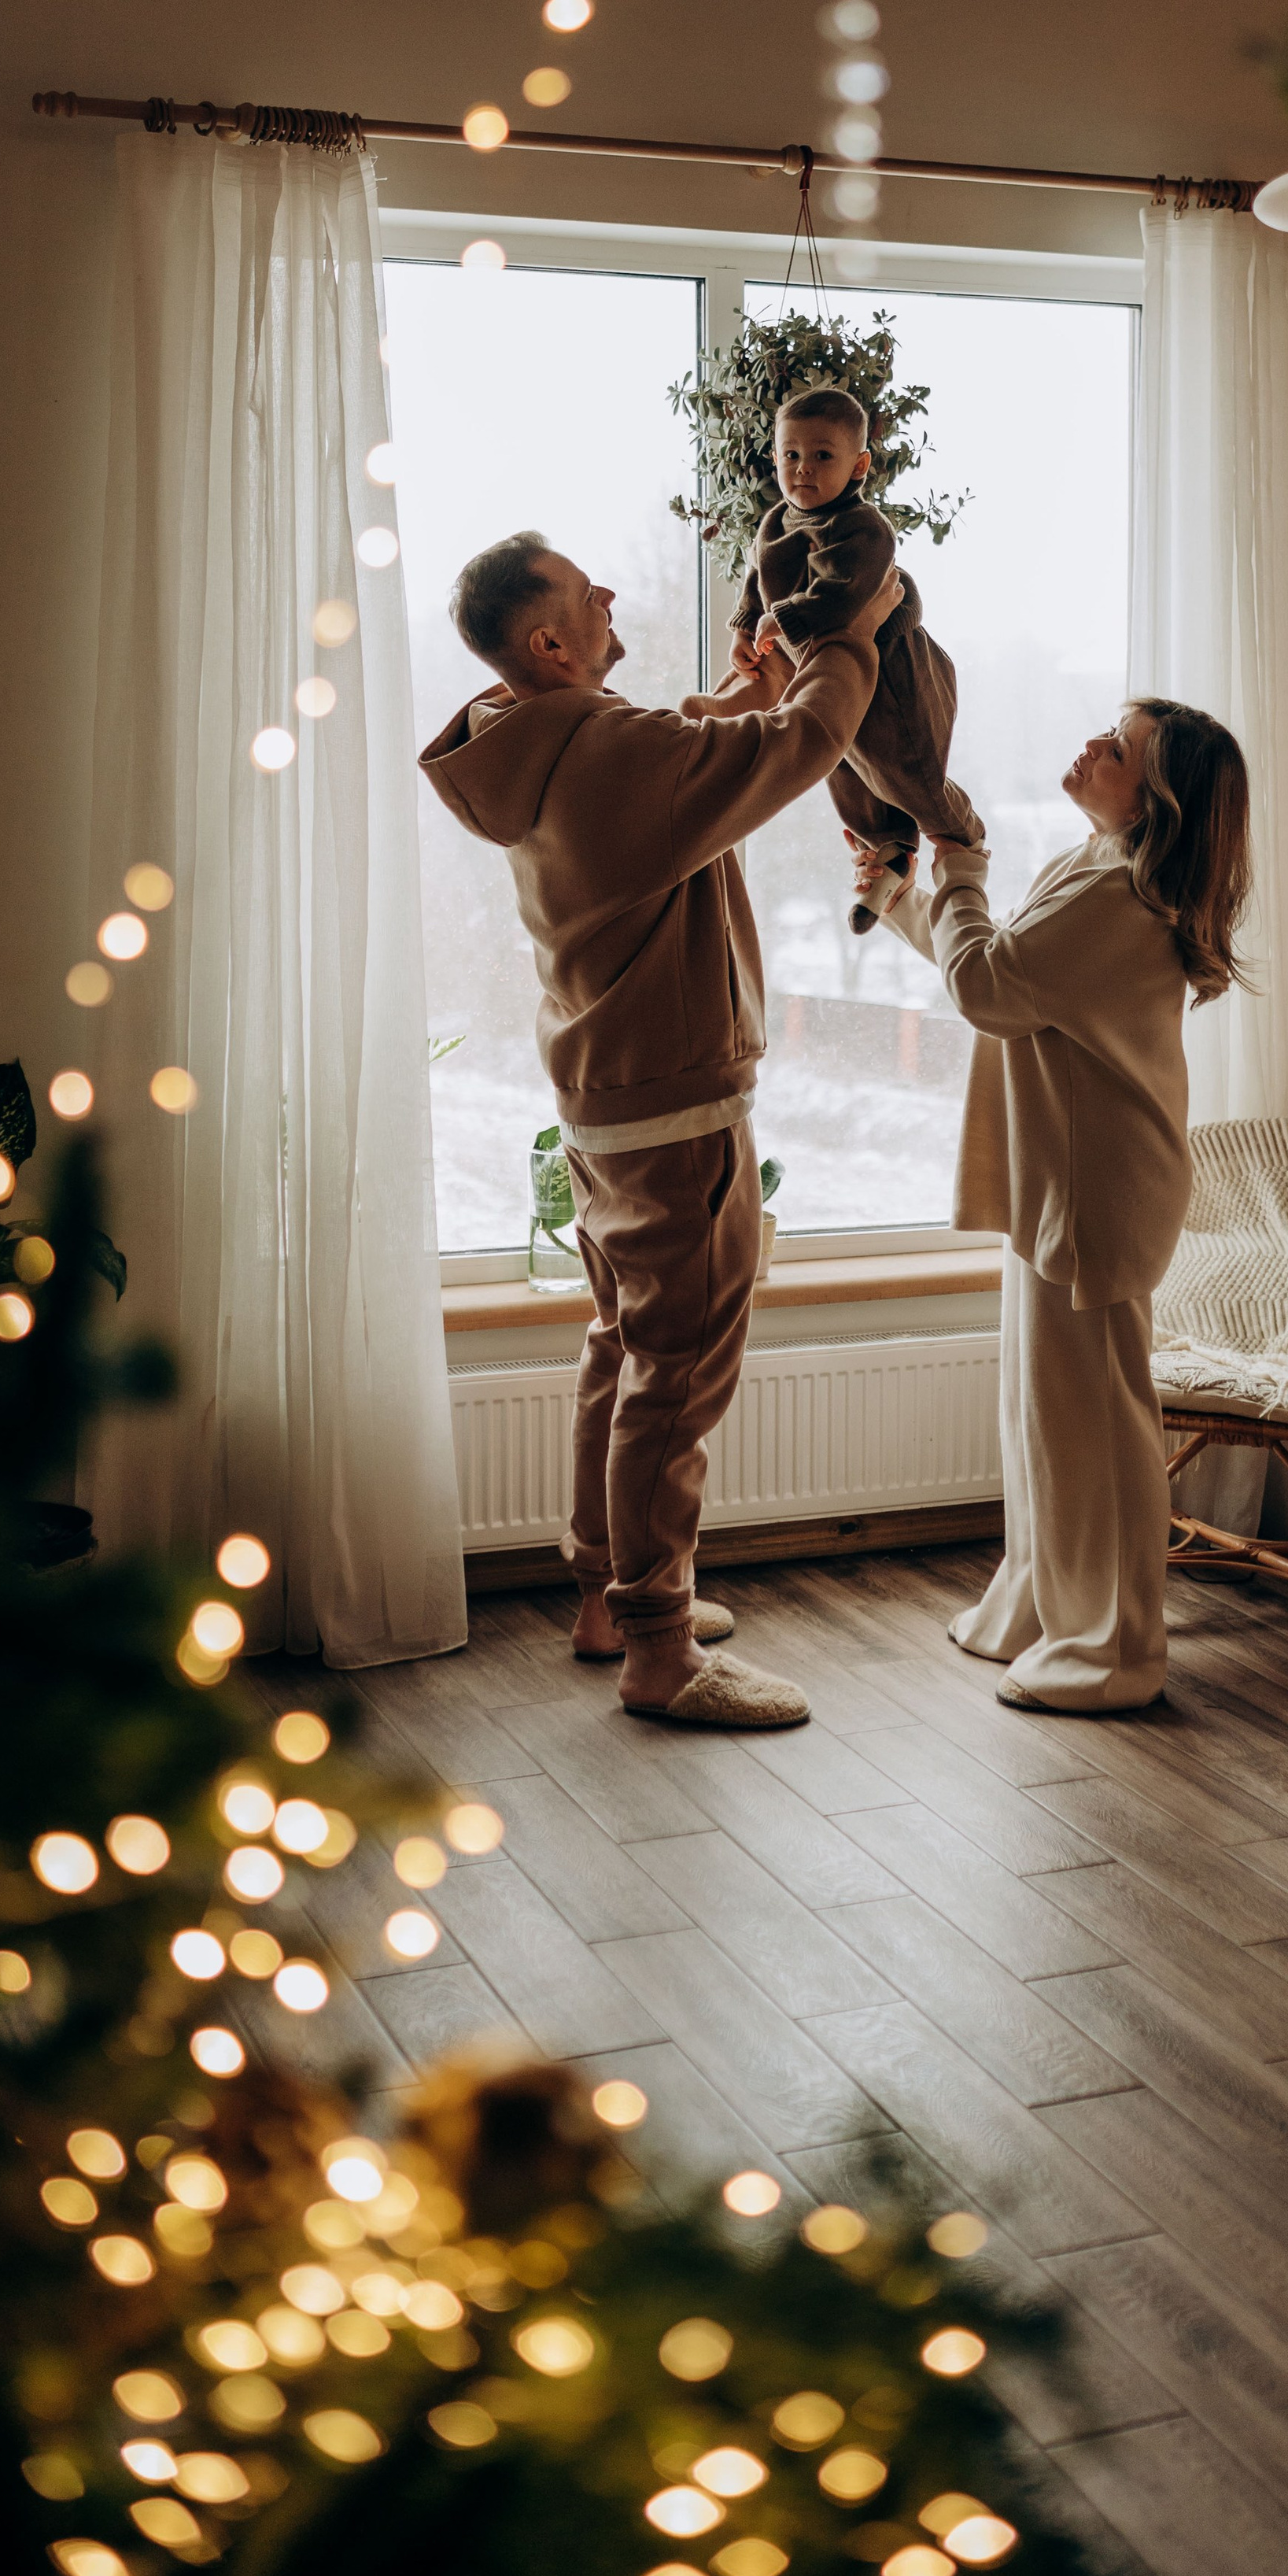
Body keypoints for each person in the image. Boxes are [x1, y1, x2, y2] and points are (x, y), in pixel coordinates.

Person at [420, 530, 899, 1728]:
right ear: (547, 641)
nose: (612, 594)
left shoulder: (534, 744)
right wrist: (852, 632)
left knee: (622, 1349)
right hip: (678, 1116)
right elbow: (799, 746)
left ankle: (609, 1598)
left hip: (610, 1103)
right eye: (589, 594)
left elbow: (688, 749)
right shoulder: (604, 754)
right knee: (675, 1381)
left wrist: (740, 692)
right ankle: (659, 1650)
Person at [869, 700, 1253, 1712]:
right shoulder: (1096, 870)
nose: (1091, 745)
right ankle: (1044, 1606)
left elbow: (990, 984)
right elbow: (1003, 972)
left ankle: (1116, 1647)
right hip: (1071, 1171)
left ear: (1157, 797)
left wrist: (955, 870)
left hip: (1097, 1183)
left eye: (1117, 748)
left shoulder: (1123, 893)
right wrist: (916, 894)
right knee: (1049, 1413)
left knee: (1095, 1421)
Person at [685, 388, 982, 933]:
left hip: (893, 670)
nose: (803, 469)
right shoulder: (776, 523)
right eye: (791, 454)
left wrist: (792, 618)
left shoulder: (863, 527)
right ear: (773, 457)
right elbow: (757, 583)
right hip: (828, 670)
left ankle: (962, 833)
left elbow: (846, 590)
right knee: (845, 767)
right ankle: (889, 854)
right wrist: (745, 630)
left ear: (859, 466)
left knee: (904, 769)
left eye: (823, 456)